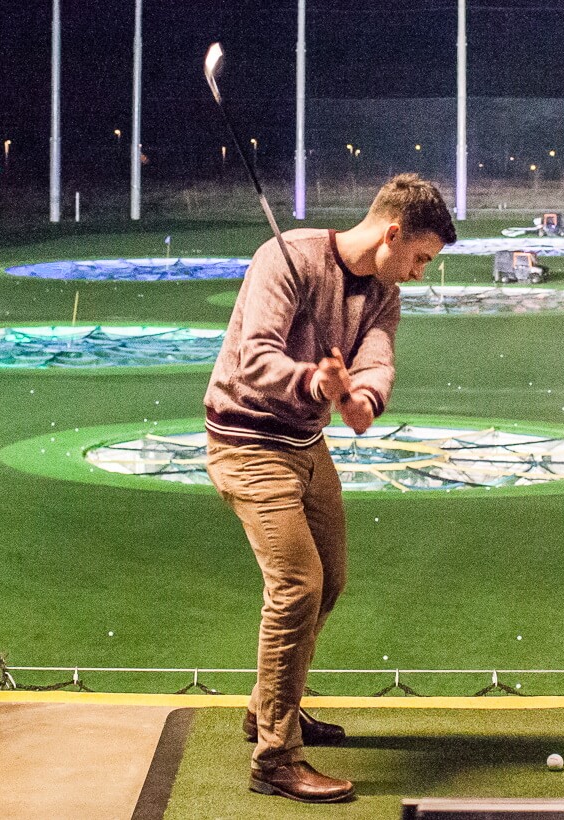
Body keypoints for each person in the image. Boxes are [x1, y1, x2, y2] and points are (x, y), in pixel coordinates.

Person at [203, 173, 457, 803]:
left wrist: (361, 398)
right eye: (420, 257)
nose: (420, 273)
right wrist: (316, 384)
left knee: (332, 578)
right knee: (297, 585)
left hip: (305, 447)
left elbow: (376, 362)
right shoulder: (284, 258)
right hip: (246, 440)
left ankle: (270, 707)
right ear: (392, 233)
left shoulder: (384, 293)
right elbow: (254, 360)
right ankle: (275, 758)